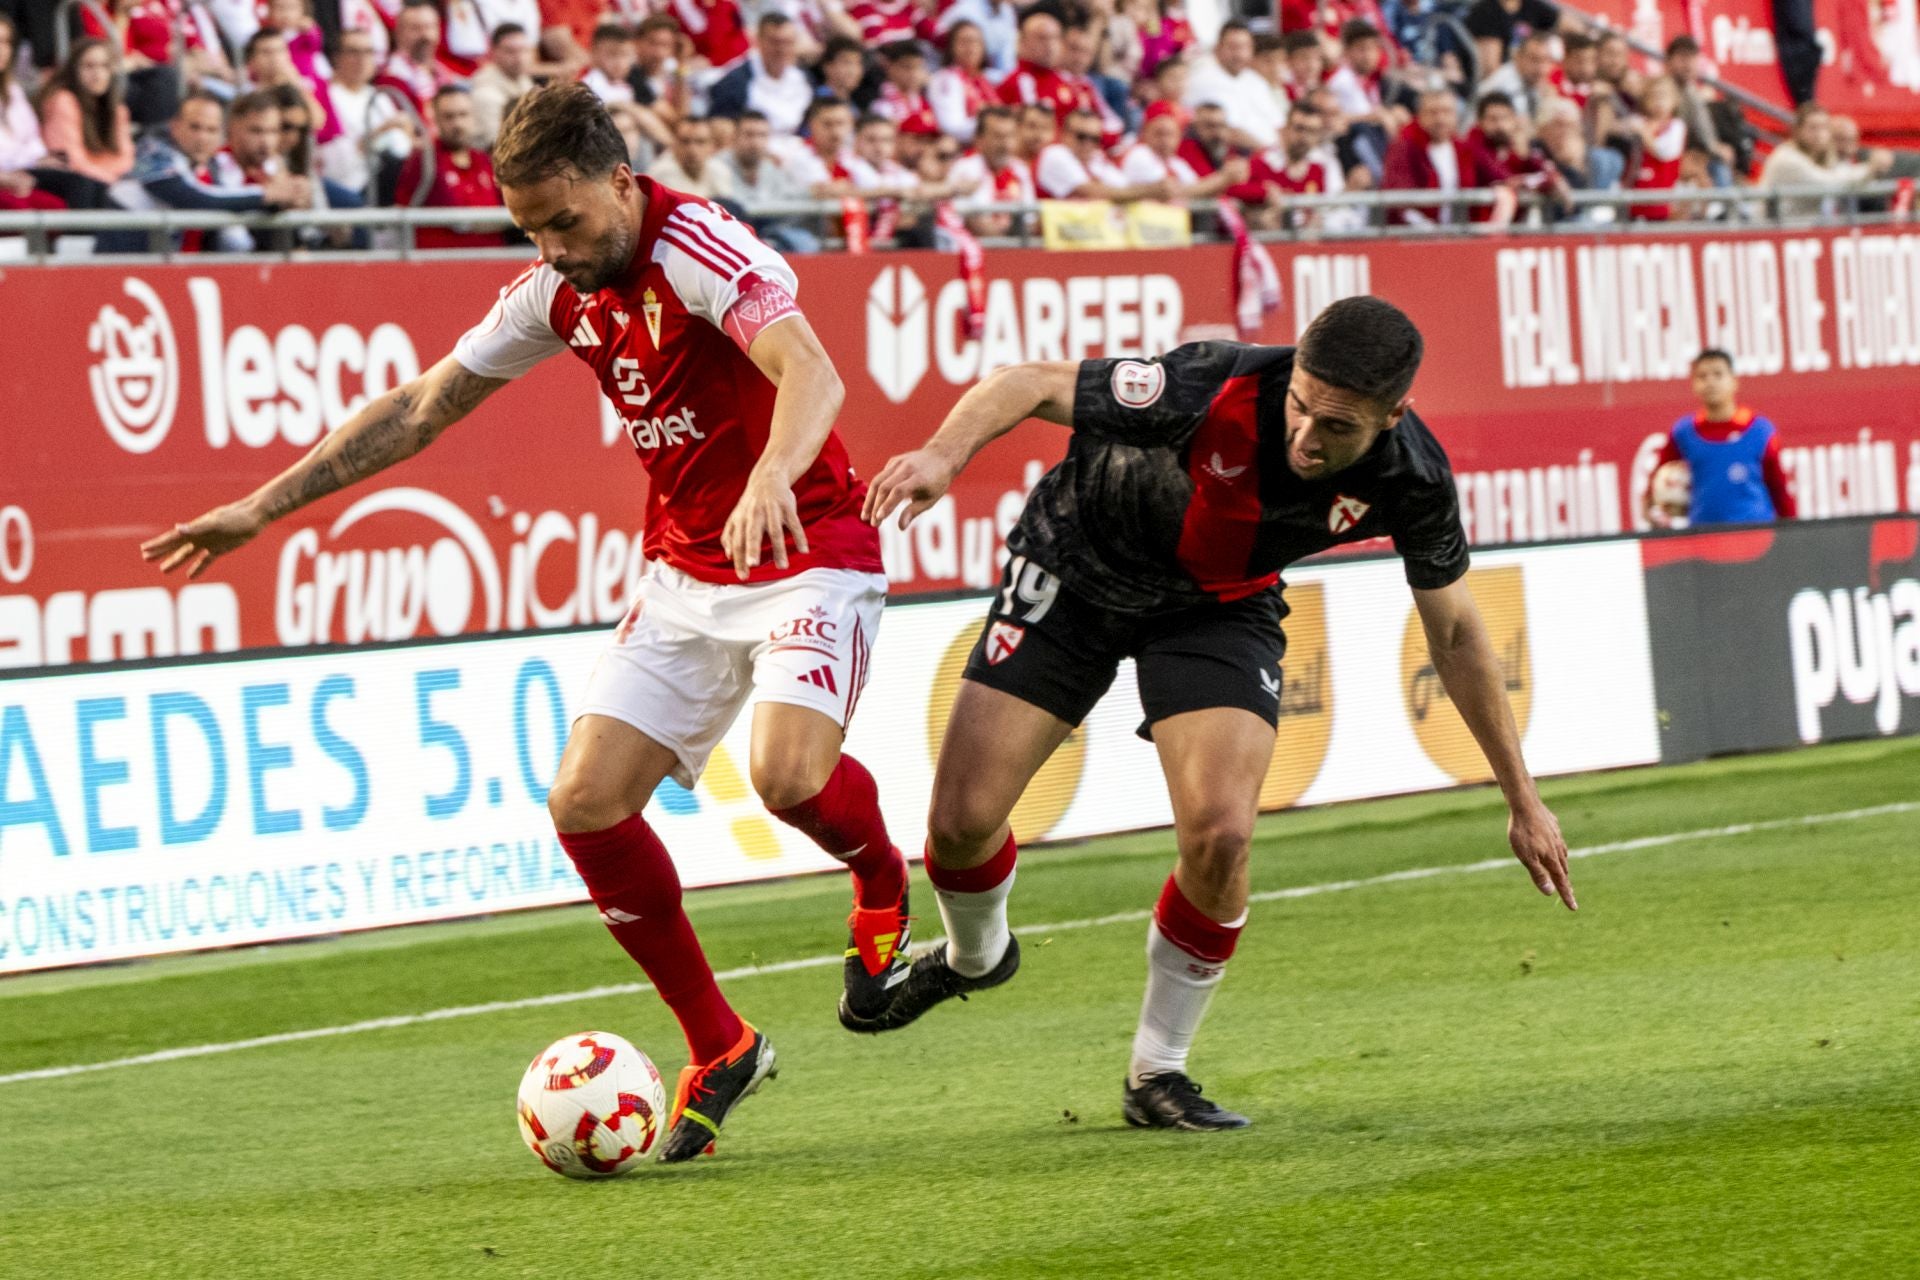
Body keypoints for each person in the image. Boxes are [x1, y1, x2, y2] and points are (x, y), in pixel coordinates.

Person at [142, 81, 908, 1165]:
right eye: (530, 228)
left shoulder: (701, 245)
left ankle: (880, 877)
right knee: (586, 802)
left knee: (786, 777)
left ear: (622, 184)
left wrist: (773, 473)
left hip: (808, 547)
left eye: (567, 221)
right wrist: (262, 508)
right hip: (686, 568)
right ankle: (721, 1042)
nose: (552, 247)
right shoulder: (556, 292)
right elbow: (418, 407)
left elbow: (812, 372)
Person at [854, 296, 1576, 1128]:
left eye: (1337, 428)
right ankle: (976, 958)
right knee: (959, 824)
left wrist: (1522, 799)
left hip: (1215, 608)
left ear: (1394, 415)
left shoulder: (1413, 477)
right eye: (1300, 406)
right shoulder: (1209, 382)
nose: (1306, 437)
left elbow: (1453, 631)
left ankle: (1158, 1073)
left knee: (1222, 834)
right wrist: (943, 457)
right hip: (1078, 569)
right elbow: (1029, 382)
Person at [111, 89, 310, 249]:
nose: (203, 138)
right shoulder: (153, 151)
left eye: (211, 130)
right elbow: (196, 199)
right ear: (175, 127)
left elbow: (234, 236)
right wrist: (269, 195)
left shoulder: (211, 168)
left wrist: (282, 202)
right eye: (195, 127)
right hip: (118, 273)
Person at [1644, 349, 1797, 527]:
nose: (1710, 382)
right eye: (1702, 376)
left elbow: (1778, 488)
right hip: (1704, 536)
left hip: (1756, 535)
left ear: (1734, 381)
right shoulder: (1684, 432)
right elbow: (1657, 482)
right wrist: (1654, 511)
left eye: (1718, 374)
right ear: (1693, 384)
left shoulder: (1760, 431)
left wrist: (1793, 532)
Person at [393, 84, 506, 247]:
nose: (457, 124)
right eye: (449, 117)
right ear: (436, 120)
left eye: (463, 115)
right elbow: (402, 213)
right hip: (442, 264)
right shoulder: (423, 161)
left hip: (495, 260)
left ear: (473, 117)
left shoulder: (485, 161)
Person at [1383, 89, 1506, 224]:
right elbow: (1399, 199)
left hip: (1458, 236)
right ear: (1420, 116)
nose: (1440, 119)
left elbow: (1499, 176)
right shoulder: (1404, 147)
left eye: (1446, 112)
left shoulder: (1464, 149)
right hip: (1416, 237)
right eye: (1433, 113)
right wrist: (1428, 231)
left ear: (1455, 116)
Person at [1759, 101, 1893, 218]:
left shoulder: (1821, 155)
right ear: (1797, 131)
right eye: (1813, 128)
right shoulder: (1786, 159)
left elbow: (1842, 171)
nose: (1819, 134)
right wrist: (1870, 168)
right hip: (1772, 235)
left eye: (1824, 127)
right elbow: (1830, 182)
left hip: (1801, 234)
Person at [715, 108, 819, 252]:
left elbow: (789, 197)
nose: (755, 142)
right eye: (749, 135)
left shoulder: (770, 167)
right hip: (732, 237)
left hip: (768, 231)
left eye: (762, 135)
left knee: (806, 242)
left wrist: (814, 192)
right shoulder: (718, 165)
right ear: (735, 137)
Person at [38, 38, 136, 186]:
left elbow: (125, 158)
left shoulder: (118, 109)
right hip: (77, 184)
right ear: (73, 70)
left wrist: (109, 177)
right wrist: (107, 179)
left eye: (104, 66)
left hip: (107, 182)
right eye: (89, 66)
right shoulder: (62, 100)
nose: (98, 74)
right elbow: (69, 159)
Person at [1036, 106, 1176, 201]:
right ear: (1065, 134)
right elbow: (1091, 192)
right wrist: (1151, 191)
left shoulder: (1096, 160)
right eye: (1081, 136)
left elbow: (1124, 187)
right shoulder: (1055, 154)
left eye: (1094, 139)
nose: (1088, 144)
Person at [708, 13, 813, 136]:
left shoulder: (804, 79)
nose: (781, 49)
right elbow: (719, 126)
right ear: (758, 41)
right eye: (775, 42)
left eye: (787, 42)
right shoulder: (735, 82)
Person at [1185, 20, 1283, 150]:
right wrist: (1266, 152)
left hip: (1273, 154)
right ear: (1218, 48)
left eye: (1244, 47)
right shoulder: (1202, 79)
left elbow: (1278, 124)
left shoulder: (1256, 81)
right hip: (1235, 154)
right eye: (1233, 47)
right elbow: (1228, 132)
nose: (1239, 54)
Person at [1120, 99, 1247, 196]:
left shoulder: (1177, 163)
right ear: (1145, 133)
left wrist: (1226, 179)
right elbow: (1172, 192)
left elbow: (1198, 187)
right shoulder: (1140, 154)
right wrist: (1224, 178)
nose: (1165, 140)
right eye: (1159, 133)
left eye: (1171, 134)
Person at [929, 21, 998, 144]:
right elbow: (951, 127)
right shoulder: (945, 79)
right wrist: (993, 124)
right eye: (964, 41)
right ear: (951, 47)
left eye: (976, 42)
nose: (970, 47)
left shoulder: (987, 79)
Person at [472, 22, 538, 148]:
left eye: (523, 50)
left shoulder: (525, 82)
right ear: (493, 51)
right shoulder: (485, 93)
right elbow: (497, 143)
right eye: (510, 51)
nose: (519, 58)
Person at [647, 113, 735, 200]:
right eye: (685, 142)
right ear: (674, 144)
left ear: (712, 146)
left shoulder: (720, 171)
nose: (692, 150)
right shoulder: (661, 173)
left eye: (700, 142)